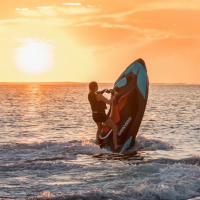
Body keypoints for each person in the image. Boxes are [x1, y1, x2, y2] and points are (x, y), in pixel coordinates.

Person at [88, 81, 121, 150]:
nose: (98, 87)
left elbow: (95, 94)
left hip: (95, 116)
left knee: (99, 127)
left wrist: (103, 91)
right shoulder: (99, 95)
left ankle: (97, 144)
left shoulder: (90, 95)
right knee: (115, 127)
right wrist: (114, 95)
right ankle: (116, 145)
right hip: (101, 115)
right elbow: (109, 102)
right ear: (95, 87)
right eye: (97, 86)